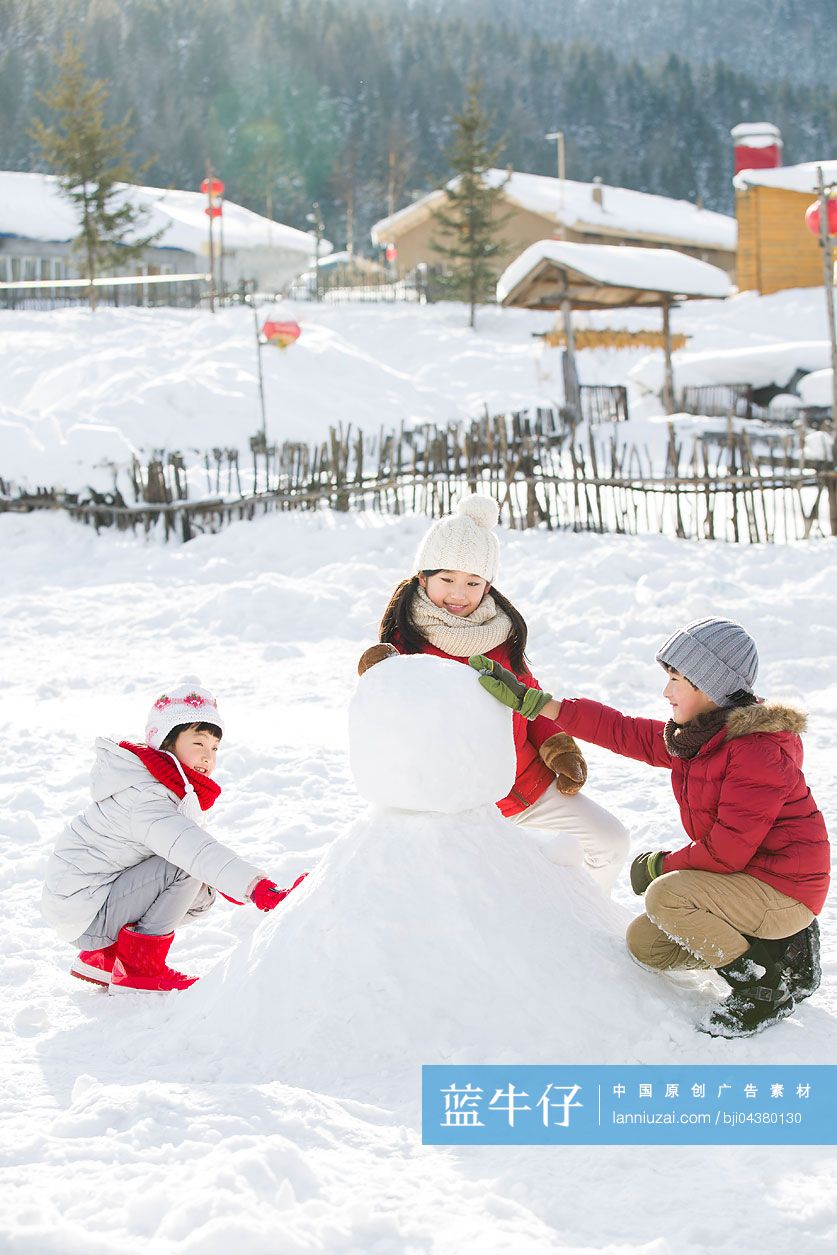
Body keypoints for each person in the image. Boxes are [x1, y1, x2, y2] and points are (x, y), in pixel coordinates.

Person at [470, 615, 829, 1037]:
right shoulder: (701, 736)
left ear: (709, 685)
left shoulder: (755, 753)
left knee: (668, 897)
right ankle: (782, 948)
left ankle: (762, 988)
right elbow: (625, 731)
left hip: (785, 888)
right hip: (746, 881)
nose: (666, 691)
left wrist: (662, 865)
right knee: (648, 945)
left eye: (676, 678)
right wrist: (539, 704)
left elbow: (726, 852)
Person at [360, 494, 629, 892]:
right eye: (447, 579)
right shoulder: (405, 647)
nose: (459, 593)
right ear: (423, 577)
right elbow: (386, 723)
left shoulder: (499, 636)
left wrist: (557, 744)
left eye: (473, 582)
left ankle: (584, 919)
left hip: (528, 786)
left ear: (488, 585)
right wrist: (376, 674)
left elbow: (529, 700)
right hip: (453, 807)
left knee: (609, 840)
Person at [42, 679, 306, 994]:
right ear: (166, 742)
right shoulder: (148, 797)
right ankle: (139, 968)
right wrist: (258, 889)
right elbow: (194, 850)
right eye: (198, 743)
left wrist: (222, 884)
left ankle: (104, 957)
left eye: (214, 748)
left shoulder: (161, 788)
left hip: (85, 904)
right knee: (185, 866)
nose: (208, 757)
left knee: (199, 894)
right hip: (85, 911)